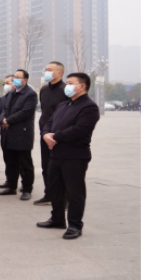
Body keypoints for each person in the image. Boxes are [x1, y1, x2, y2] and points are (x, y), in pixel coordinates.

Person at [37, 73, 100, 239]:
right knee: (55, 189)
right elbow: (48, 122)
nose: (67, 86)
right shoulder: (63, 104)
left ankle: (75, 225)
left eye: (71, 83)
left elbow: (80, 129)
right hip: (56, 154)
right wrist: (45, 134)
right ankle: (57, 219)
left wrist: (55, 137)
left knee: (74, 192)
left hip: (75, 155)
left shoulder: (89, 107)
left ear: (82, 86)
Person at [0, 69, 38, 201]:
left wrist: (8, 121)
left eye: (18, 77)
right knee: (10, 162)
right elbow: (2, 111)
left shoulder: (30, 94)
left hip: (22, 134)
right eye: (14, 77)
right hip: (7, 133)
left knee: (25, 163)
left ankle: (26, 189)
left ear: (25, 80)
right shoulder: (11, 94)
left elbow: (25, 112)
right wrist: (2, 120)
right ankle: (11, 186)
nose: (15, 79)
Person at [35, 61, 67, 206]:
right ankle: (49, 194)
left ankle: (65, 198)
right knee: (46, 166)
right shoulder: (44, 90)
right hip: (45, 133)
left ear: (59, 73)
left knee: (61, 168)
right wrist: (44, 131)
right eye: (46, 69)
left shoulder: (65, 90)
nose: (46, 72)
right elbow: (45, 112)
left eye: (50, 69)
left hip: (59, 135)